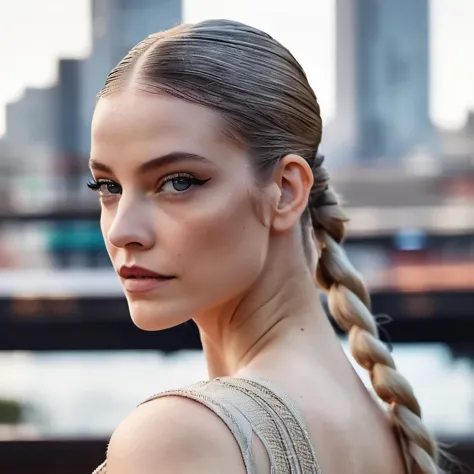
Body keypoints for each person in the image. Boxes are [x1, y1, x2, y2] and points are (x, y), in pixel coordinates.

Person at [88, 19, 441, 474]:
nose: (122, 231)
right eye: (108, 186)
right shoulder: (380, 426)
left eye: (178, 182)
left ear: (287, 190)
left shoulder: (182, 438)